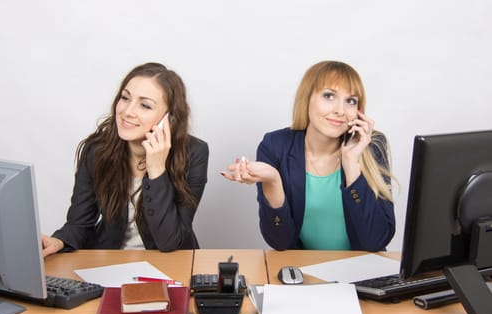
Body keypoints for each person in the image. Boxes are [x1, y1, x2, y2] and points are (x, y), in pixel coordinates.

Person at [222, 61, 396, 251]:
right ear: (307, 99)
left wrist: (351, 163)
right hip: (305, 273)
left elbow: (375, 242)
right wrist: (273, 181)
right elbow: (281, 243)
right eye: (329, 96)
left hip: (361, 271)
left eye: (351, 101)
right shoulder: (275, 146)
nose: (340, 110)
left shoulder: (372, 146)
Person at [42, 62, 209, 256]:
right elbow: (79, 223)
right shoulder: (97, 150)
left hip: (171, 264)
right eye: (125, 98)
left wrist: (156, 170)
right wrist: (59, 240)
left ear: (169, 118)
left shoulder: (193, 153)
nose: (128, 111)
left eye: (145, 105)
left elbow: (170, 241)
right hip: (110, 261)